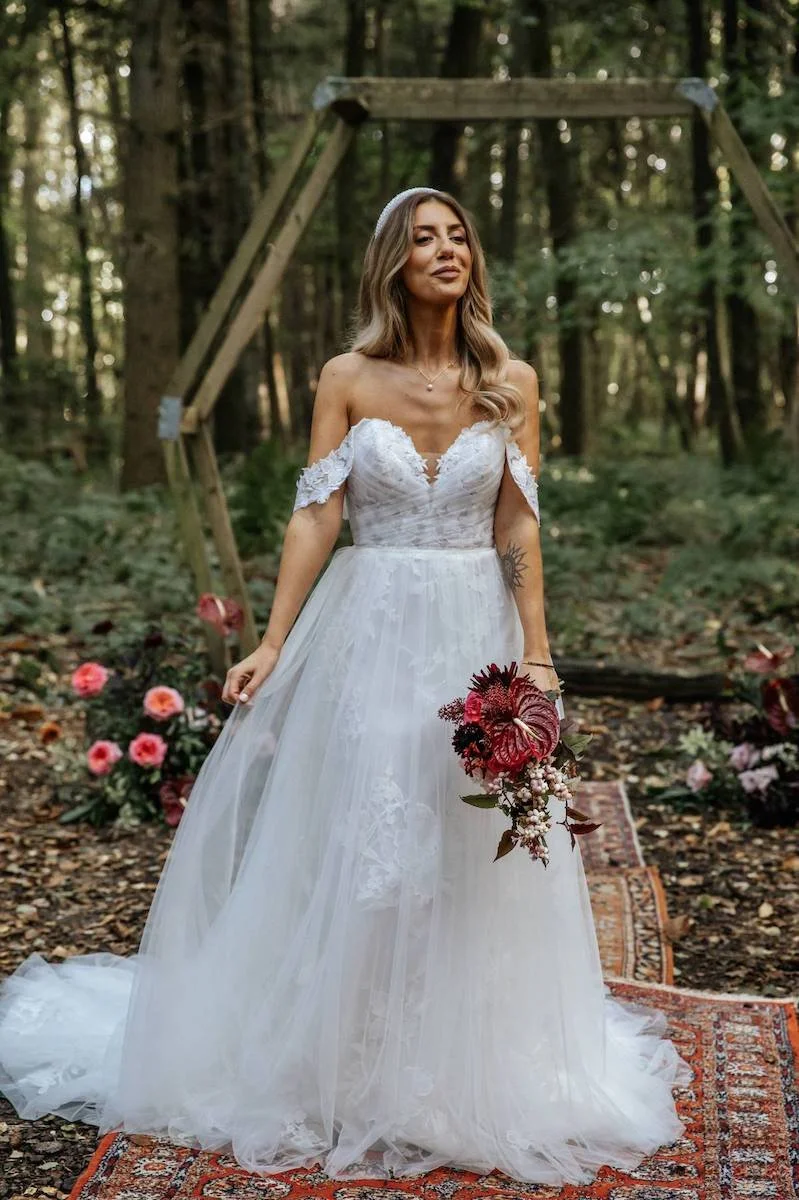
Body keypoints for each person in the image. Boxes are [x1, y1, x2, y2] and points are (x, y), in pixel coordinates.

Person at [0, 187, 692, 1186]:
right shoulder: (346, 376)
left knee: (469, 833)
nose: (445, 249)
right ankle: (346, 1056)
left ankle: (459, 1061)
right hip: (366, 628)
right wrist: (273, 640)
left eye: (458, 236)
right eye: (424, 237)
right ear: (392, 264)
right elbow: (317, 515)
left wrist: (537, 657)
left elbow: (517, 525)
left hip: (472, 629)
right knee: (370, 829)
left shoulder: (510, 377)